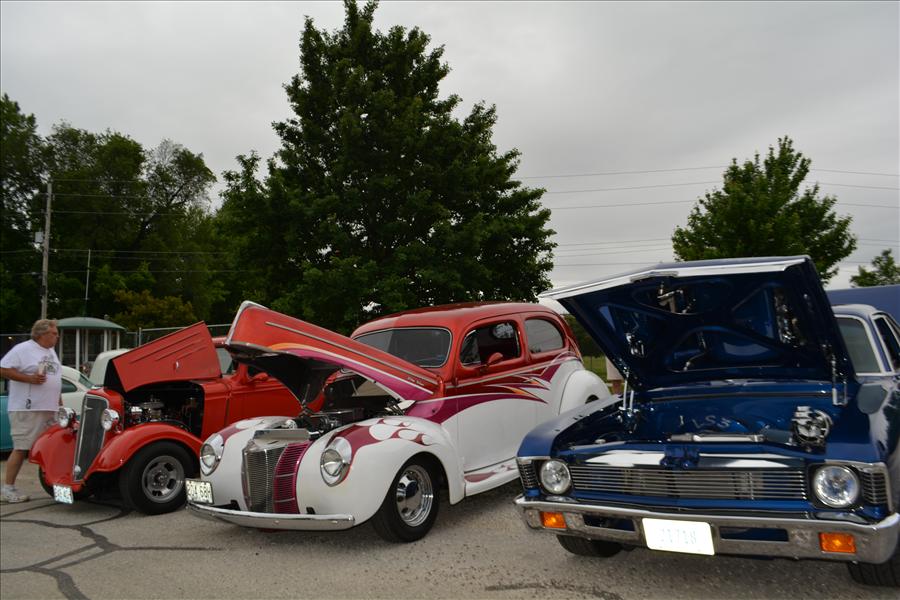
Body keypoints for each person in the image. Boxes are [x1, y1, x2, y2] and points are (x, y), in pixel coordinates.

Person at [0, 319, 63, 503]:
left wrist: (60, 404)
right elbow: (3, 369)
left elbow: (55, 379)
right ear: (42, 334)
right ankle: (8, 488)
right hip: (28, 408)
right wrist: (29, 379)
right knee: (21, 447)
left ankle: (54, 483)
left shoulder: (51, 352)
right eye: (54, 333)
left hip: (50, 408)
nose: (57, 336)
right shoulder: (23, 349)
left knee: (54, 447)